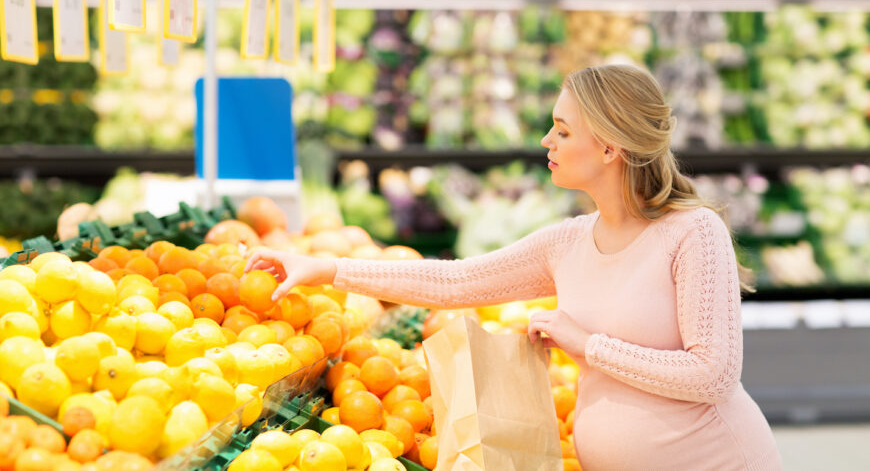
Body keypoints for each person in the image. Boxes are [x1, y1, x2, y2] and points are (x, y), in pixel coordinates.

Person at [246, 64, 782, 470]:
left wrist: (586, 343)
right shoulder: (568, 243)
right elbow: (455, 280)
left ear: (610, 146)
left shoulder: (691, 233)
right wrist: (324, 269)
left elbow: (713, 375)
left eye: (563, 131)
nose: (547, 141)